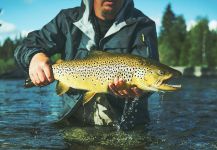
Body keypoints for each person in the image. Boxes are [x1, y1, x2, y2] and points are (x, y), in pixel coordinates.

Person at [14, 0, 159, 130]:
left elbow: (148, 76)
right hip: (75, 124)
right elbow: (26, 46)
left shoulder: (143, 24)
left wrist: (141, 91)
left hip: (127, 126)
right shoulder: (66, 20)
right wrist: (34, 56)